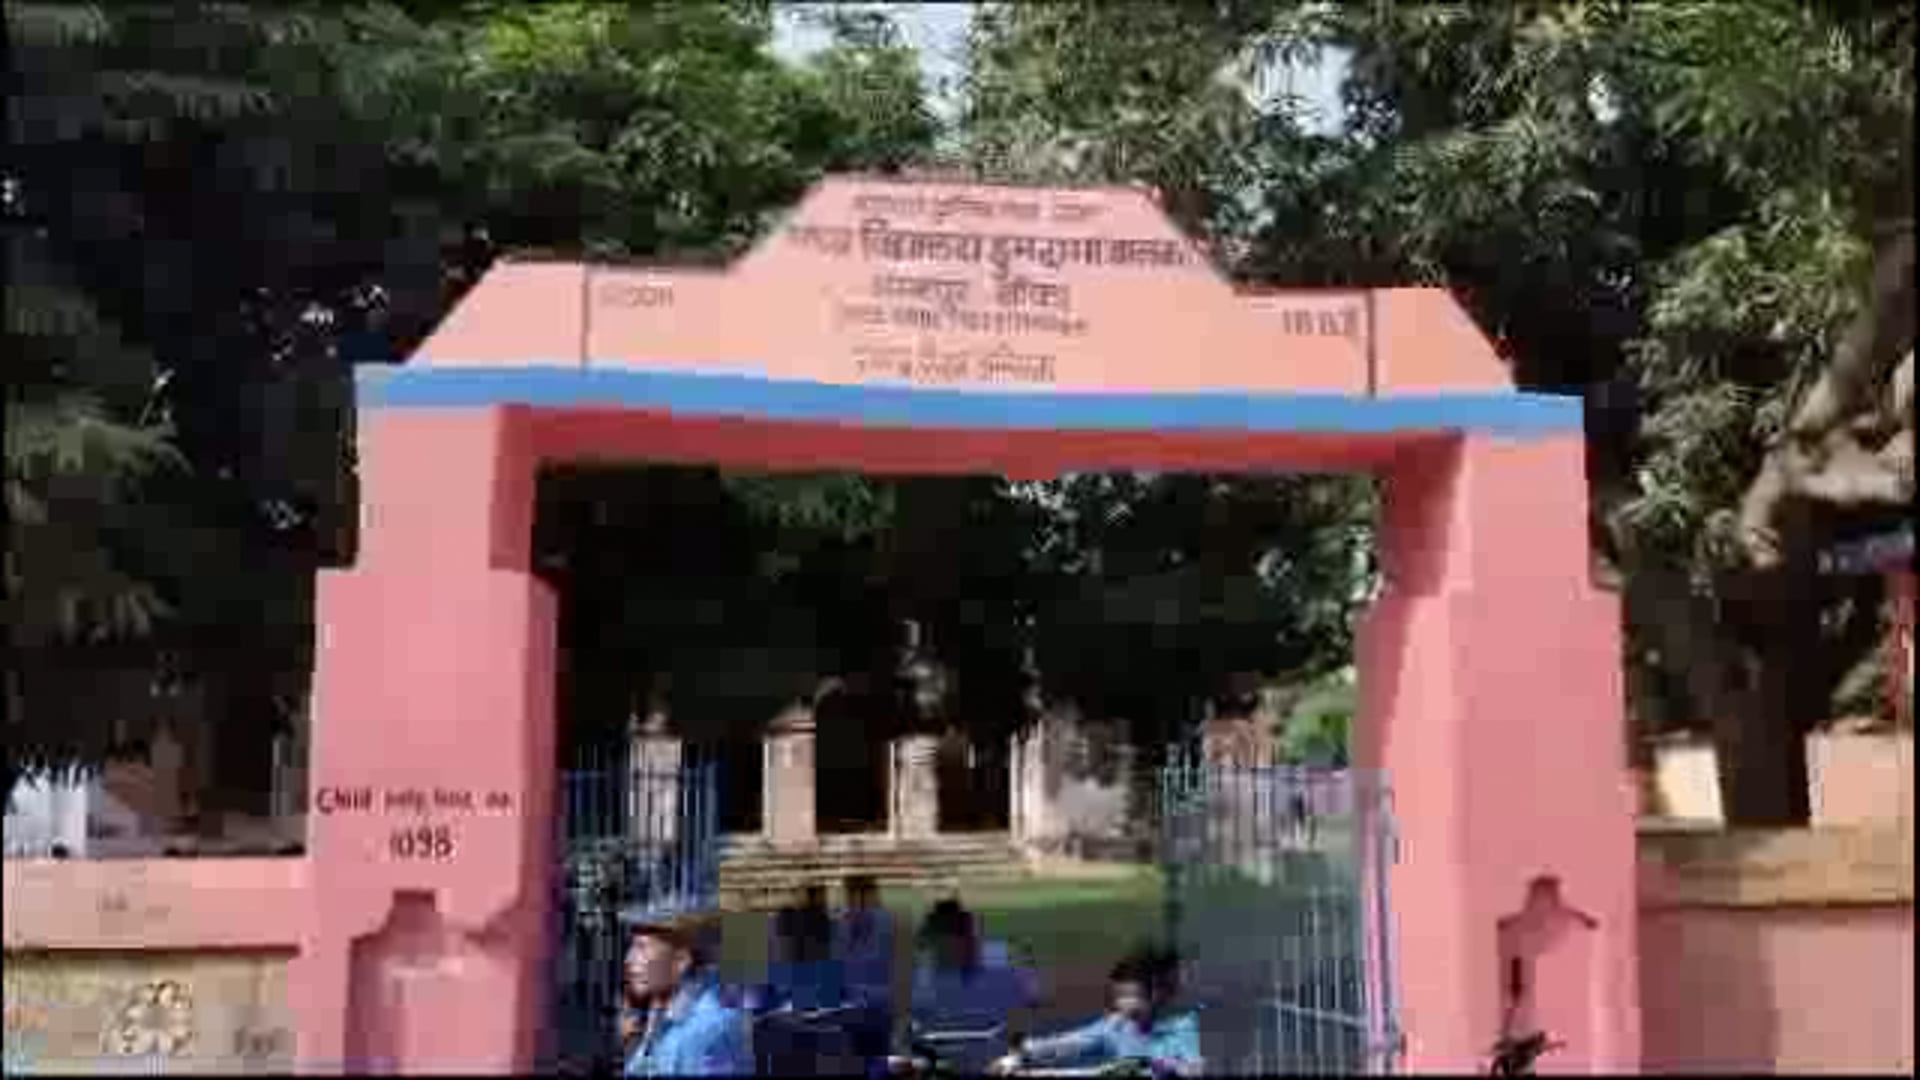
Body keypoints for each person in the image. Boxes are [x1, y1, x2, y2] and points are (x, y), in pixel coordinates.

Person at [994, 947, 1201, 1078]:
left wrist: (1154, 1064)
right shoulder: (1115, 1025)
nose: (1120, 1003)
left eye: (1128, 995)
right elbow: (1071, 1043)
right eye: (1118, 996)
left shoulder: (1181, 1026)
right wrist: (1024, 1052)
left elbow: (1192, 1068)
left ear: (1153, 995)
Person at [617, 901, 754, 1077]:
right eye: (631, 947)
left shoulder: (710, 1027)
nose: (628, 959)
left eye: (642, 947)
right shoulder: (660, 1014)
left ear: (681, 961)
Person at [907, 899, 1038, 1075]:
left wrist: (1014, 1055)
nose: (933, 952)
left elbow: (1029, 1013)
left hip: (997, 1062)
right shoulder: (927, 974)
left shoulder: (1004, 961)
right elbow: (916, 1026)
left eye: (937, 944)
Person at [836, 874, 896, 1074]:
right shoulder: (843, 923)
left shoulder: (886, 924)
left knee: (875, 1061)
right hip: (856, 1007)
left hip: (875, 1006)